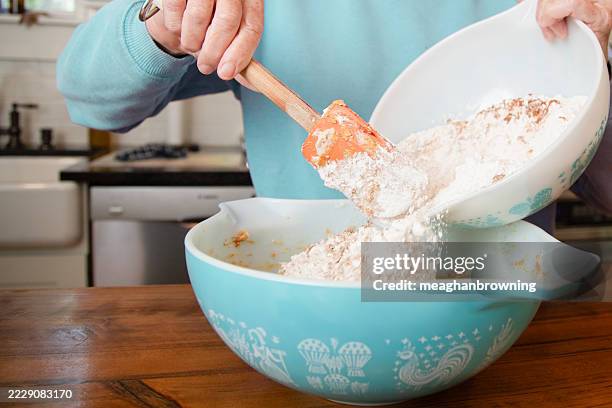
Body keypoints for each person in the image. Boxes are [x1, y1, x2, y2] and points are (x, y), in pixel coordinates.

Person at [57, 0, 612, 232]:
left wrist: (604, 49)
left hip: (503, 295)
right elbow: (92, 99)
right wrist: (165, 21)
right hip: (318, 283)